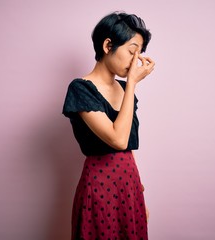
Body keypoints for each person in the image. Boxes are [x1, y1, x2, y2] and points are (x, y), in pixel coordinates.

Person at [62, 11, 155, 240]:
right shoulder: (81, 89)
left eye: (140, 53)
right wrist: (132, 83)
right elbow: (117, 139)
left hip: (129, 185)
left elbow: (127, 148)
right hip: (99, 188)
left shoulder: (124, 89)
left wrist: (138, 191)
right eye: (132, 51)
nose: (136, 61)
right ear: (107, 45)